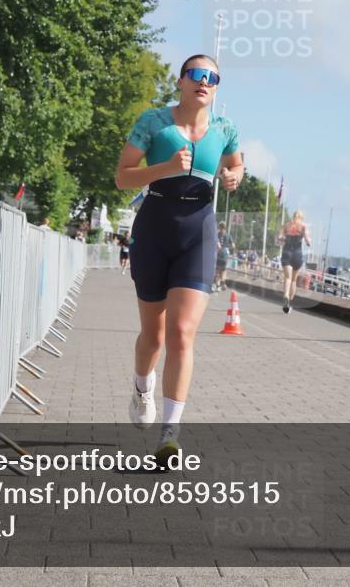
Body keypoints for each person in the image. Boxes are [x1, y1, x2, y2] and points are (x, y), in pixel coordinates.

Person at [115, 54, 243, 463]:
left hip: (198, 232)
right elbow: (122, 176)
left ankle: (169, 435)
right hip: (154, 228)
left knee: (182, 333)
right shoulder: (154, 122)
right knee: (153, 337)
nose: (205, 82)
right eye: (197, 75)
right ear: (181, 81)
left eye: (213, 78)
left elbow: (237, 165)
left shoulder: (225, 128)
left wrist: (234, 177)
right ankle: (142, 388)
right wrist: (165, 167)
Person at [277, 210, 311, 313]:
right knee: (293, 280)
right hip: (297, 254)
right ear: (301, 218)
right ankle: (289, 301)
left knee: (287, 277)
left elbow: (279, 238)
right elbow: (308, 241)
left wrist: (284, 239)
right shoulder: (303, 227)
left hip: (287, 252)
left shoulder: (286, 225)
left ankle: (286, 295)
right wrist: (308, 242)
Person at [214, 221, 233, 291]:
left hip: (218, 253)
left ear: (219, 227)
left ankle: (217, 286)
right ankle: (223, 283)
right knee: (223, 271)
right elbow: (233, 245)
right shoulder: (228, 235)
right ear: (225, 227)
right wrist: (227, 247)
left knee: (217, 271)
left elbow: (215, 243)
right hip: (225, 254)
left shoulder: (217, 234)